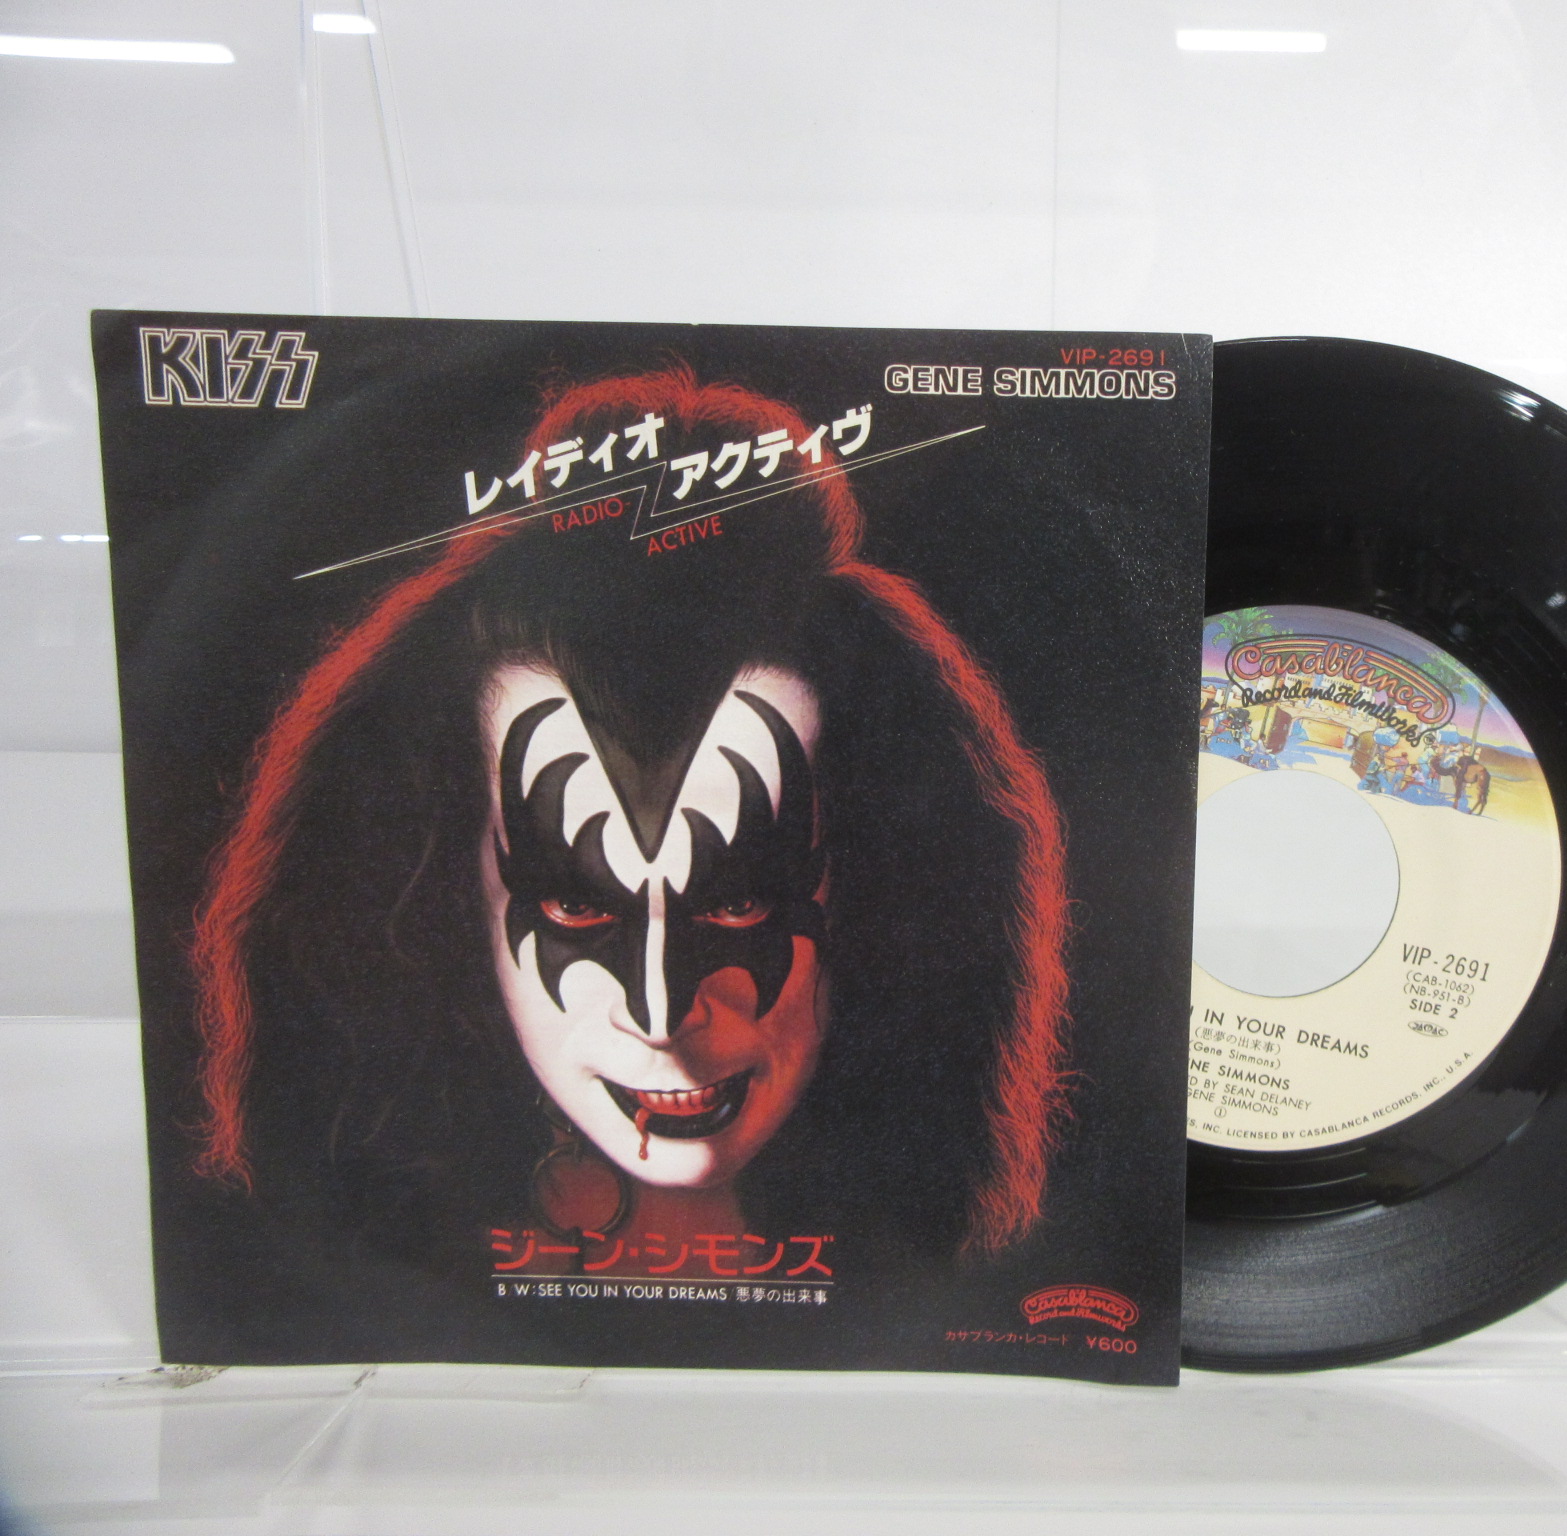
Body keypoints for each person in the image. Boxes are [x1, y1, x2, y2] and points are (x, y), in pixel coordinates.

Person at [183, 365, 1073, 1288]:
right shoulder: (353, 1267)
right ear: (436, 899)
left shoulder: (963, 1276)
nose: (658, 1011)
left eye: (737, 904)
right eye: (575, 906)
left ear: (890, 889)